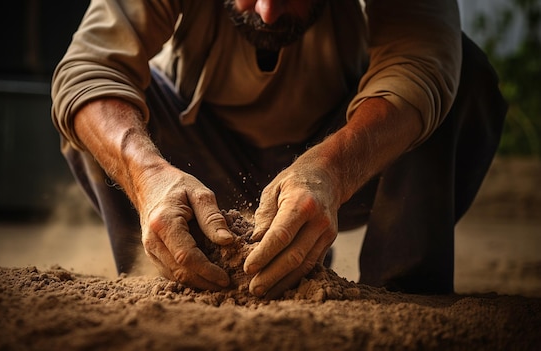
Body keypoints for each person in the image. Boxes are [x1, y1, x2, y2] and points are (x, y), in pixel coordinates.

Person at [51, 0, 507, 298]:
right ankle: (172, 274)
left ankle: (402, 296)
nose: (267, 12)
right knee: (101, 109)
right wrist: (148, 175)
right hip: (195, 160)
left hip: (348, 156)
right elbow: (88, 68)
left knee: (464, 76)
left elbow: (423, 60)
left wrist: (334, 169)